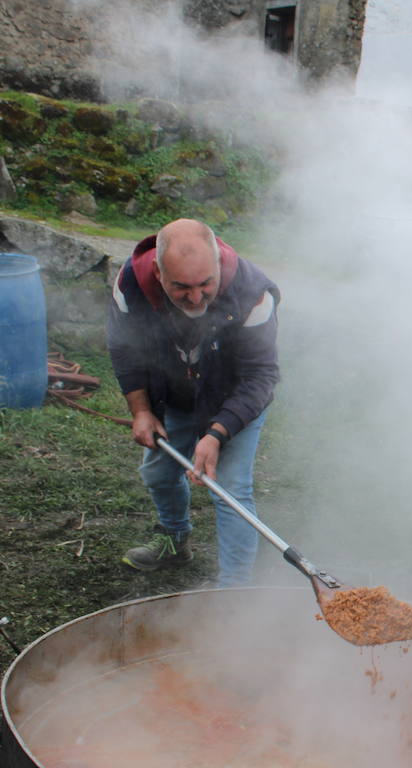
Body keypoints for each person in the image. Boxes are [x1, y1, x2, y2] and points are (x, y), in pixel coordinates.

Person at [107, 218, 280, 587]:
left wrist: (217, 433)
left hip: (234, 398)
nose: (197, 298)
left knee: (230, 489)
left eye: (206, 284)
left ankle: (234, 591)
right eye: (181, 287)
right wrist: (141, 410)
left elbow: (261, 377)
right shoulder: (131, 285)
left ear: (218, 265)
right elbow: (124, 349)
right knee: (157, 472)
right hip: (174, 393)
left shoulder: (254, 295)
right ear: (158, 271)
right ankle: (174, 538)